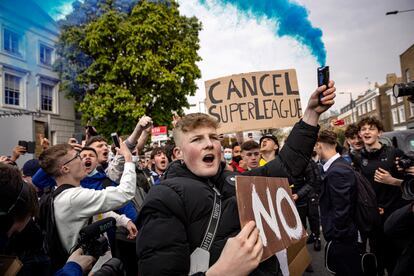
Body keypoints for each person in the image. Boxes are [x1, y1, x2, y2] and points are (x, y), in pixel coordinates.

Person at [136, 80, 336, 275]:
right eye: (197, 139)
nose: (209, 144)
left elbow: (284, 167)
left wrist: (311, 114)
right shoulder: (163, 198)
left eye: (213, 137)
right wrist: (223, 271)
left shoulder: (232, 179)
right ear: (178, 153)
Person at [38, 141, 136, 270]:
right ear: (65, 168)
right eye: (78, 156)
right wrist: (128, 159)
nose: (83, 159)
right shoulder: (73, 198)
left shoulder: (61, 194)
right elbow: (125, 193)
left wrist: (123, 220)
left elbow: (95, 211)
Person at [355, 116, 407, 276]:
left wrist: (392, 180)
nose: (367, 131)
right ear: (359, 134)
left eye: (371, 128)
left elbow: (409, 183)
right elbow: (358, 188)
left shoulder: (394, 153)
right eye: (363, 129)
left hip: (395, 215)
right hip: (373, 216)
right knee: (378, 258)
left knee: (397, 260)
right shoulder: (357, 158)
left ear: (379, 132)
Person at [315, 129, 362, 276]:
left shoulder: (337, 170)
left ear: (319, 145)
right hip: (344, 236)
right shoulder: (337, 165)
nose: (315, 149)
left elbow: (343, 210)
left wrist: (335, 234)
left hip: (343, 238)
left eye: (315, 146)